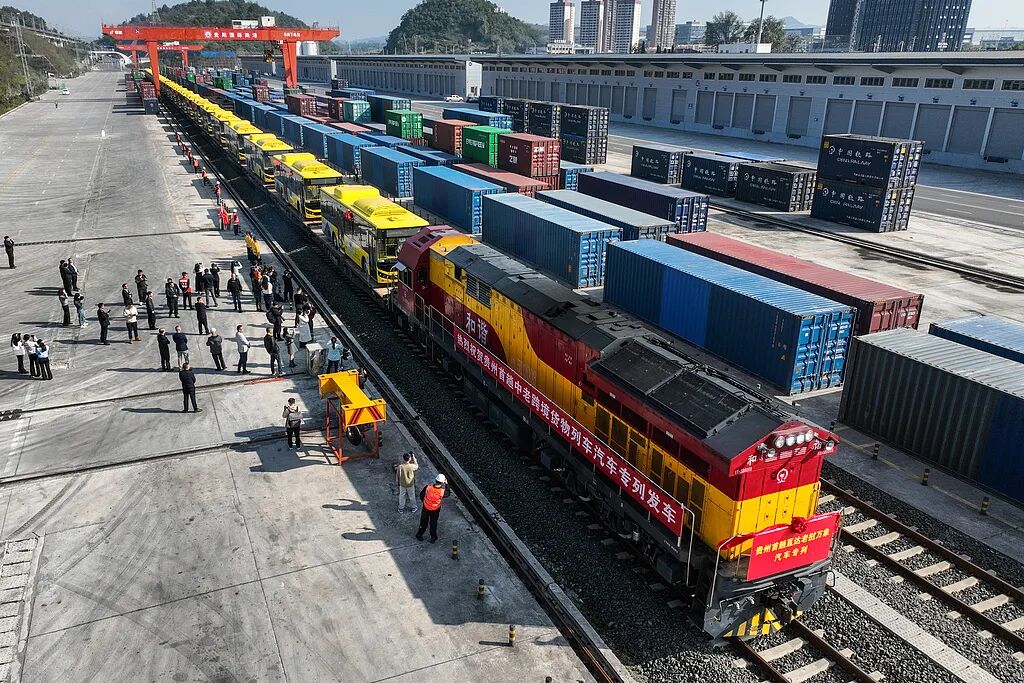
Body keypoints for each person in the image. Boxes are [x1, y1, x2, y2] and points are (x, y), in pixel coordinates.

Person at [416, 474, 451, 543]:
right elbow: (448, 493)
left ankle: (419, 534)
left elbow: (421, 495)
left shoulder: (428, 487)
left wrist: (425, 502)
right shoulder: (442, 492)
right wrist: (446, 484)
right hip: (435, 510)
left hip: (426, 508)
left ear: (435, 480)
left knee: (423, 522)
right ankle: (433, 538)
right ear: (442, 482)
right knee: (433, 523)